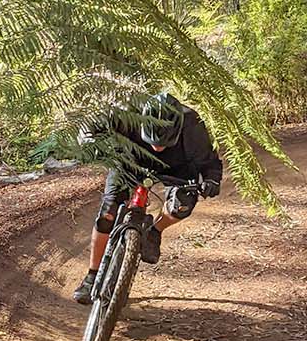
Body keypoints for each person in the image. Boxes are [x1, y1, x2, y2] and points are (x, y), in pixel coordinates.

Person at [74, 92, 222, 304]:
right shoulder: (126, 113)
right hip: (130, 160)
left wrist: (211, 180)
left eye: (164, 142)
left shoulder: (192, 125)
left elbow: (209, 161)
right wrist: (90, 143)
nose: (158, 147)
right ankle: (92, 276)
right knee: (107, 214)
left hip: (176, 168)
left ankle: (155, 231)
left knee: (183, 205)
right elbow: (91, 127)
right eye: (153, 141)